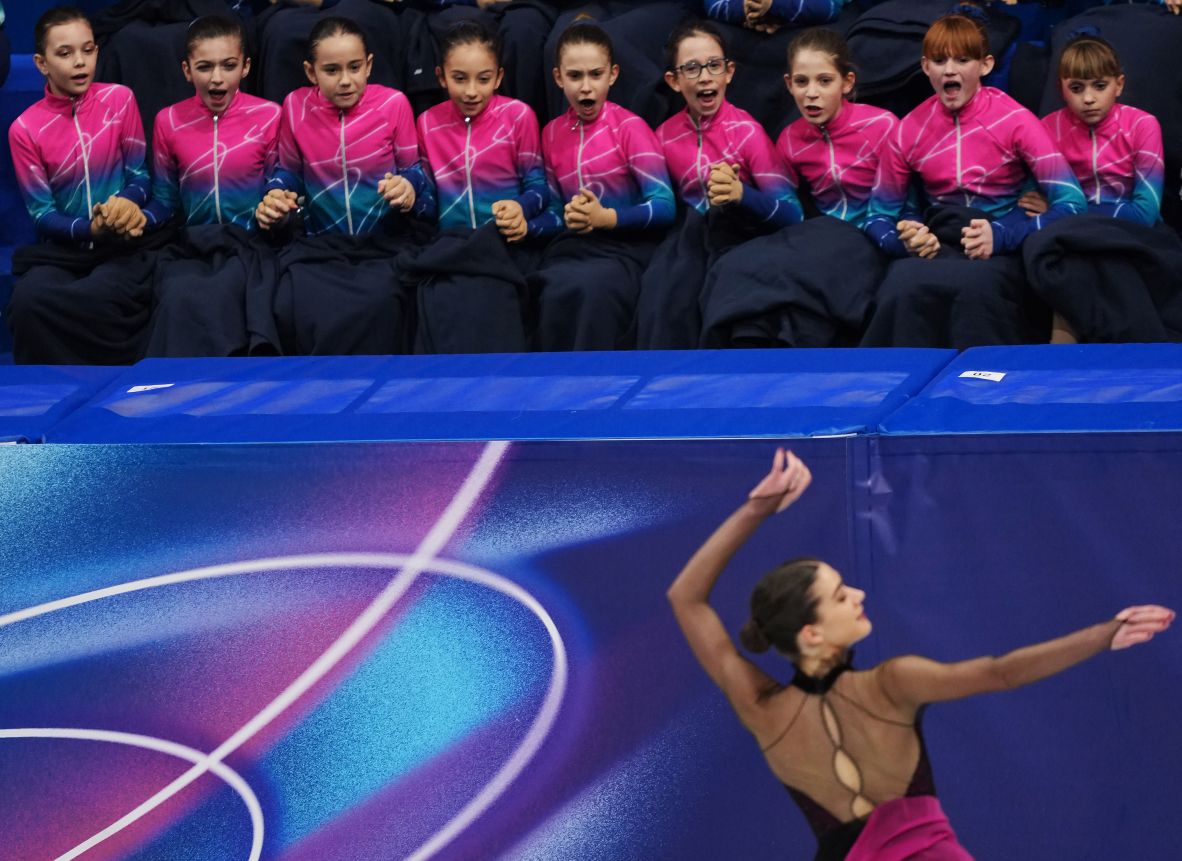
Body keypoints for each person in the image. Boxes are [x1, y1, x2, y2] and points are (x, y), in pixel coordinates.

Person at [667, 448, 1175, 860]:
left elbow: (685, 598)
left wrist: (756, 509)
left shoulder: (761, 710)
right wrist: (1103, 635)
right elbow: (1001, 674)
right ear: (812, 634)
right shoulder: (891, 683)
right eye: (842, 596)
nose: (859, 595)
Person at [860, 11, 1086, 350]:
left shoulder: (1016, 120)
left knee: (976, 290)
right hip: (939, 243)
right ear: (925, 68)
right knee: (900, 287)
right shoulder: (907, 129)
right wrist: (903, 241)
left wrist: (1004, 235)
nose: (949, 69)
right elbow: (877, 216)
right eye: (939, 60)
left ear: (985, 64)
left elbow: (1072, 202)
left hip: (1000, 246)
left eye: (962, 59)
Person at [701, 27, 896, 347]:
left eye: (824, 81)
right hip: (820, 234)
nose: (811, 93)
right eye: (802, 82)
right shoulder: (790, 139)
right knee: (738, 264)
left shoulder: (883, 126)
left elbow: (903, 199)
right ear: (789, 84)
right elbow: (789, 212)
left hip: (871, 239)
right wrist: (741, 192)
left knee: (802, 270)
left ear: (847, 82)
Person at [256, 14, 433, 355]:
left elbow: (415, 171)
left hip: (384, 245)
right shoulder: (295, 107)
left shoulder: (394, 104)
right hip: (320, 249)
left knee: (384, 301)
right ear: (311, 72)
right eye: (332, 70)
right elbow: (288, 172)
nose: (346, 81)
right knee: (300, 299)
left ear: (369, 65)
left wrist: (409, 188)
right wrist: (275, 194)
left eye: (354, 67)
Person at [636, 18, 803, 350]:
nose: (705, 77)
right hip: (687, 240)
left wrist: (742, 194)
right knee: (665, 282)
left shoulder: (747, 132)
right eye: (693, 68)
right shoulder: (662, 136)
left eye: (714, 65)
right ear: (673, 80)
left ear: (729, 72)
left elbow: (792, 214)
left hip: (738, 237)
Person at [6, 6, 157, 365]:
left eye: (88, 50)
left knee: (106, 292)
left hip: (121, 244)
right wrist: (91, 227)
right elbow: (42, 214)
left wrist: (122, 207)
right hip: (63, 250)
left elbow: (140, 177)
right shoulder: (25, 130)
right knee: (28, 301)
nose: (80, 62)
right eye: (65, 53)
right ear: (42, 64)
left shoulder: (120, 100)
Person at [1020, 33, 1182, 343]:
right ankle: (1067, 354)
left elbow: (1146, 212)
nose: (1089, 99)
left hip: (1139, 235)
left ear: (1119, 84)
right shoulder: (1046, 128)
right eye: (1077, 88)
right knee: (1061, 252)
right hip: (1072, 237)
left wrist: (1067, 211)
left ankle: (1109, 349)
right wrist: (1064, 215)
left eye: (1100, 86)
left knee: (1068, 244)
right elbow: (1031, 200)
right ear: (1061, 89)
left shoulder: (1142, 125)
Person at [407, 20, 557, 353]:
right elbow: (432, 204)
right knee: (439, 300)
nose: (471, 91)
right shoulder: (427, 123)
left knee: (494, 300)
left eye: (484, 79)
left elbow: (538, 185)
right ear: (441, 77)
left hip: (504, 245)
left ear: (499, 77)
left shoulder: (519, 116)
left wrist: (521, 209)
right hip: (451, 247)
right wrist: (410, 201)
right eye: (459, 79)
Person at [142, 13, 283, 357]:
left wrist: (280, 207)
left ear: (246, 67)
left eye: (229, 65)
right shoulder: (168, 121)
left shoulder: (271, 115)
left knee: (231, 287)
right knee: (179, 294)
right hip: (195, 246)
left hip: (253, 246)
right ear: (187, 70)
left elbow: (282, 185)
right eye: (204, 67)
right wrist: (138, 217)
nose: (217, 79)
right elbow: (165, 201)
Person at [533, 19, 676, 350]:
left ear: (612, 74)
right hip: (574, 248)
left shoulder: (630, 128)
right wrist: (523, 224)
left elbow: (664, 205)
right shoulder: (551, 133)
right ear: (558, 78)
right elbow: (556, 209)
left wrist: (607, 218)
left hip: (627, 249)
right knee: (549, 284)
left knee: (591, 285)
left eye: (595, 75)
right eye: (575, 76)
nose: (586, 87)